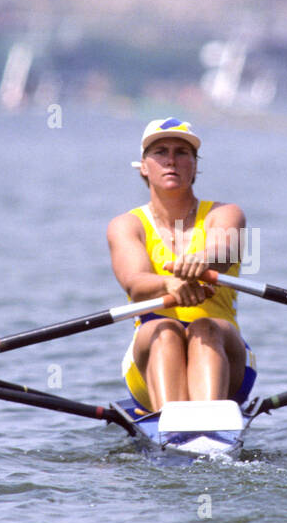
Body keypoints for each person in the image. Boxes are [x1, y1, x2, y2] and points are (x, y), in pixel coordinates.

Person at [107, 118, 256, 416]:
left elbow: (224, 250)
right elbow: (135, 285)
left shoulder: (225, 213)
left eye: (182, 153)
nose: (171, 160)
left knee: (204, 328)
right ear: (144, 167)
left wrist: (204, 260)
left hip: (228, 354)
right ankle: (174, 426)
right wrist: (168, 284)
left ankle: (207, 426)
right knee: (165, 328)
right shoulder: (126, 225)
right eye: (160, 152)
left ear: (195, 166)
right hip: (149, 359)